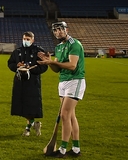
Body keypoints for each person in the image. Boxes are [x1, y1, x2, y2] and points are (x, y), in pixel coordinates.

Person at [38, 21, 86, 157]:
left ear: (66, 30)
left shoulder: (74, 44)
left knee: (64, 115)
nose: (58, 32)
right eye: (55, 30)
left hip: (75, 81)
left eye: (60, 29)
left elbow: (72, 65)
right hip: (63, 82)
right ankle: (76, 149)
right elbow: (57, 69)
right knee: (70, 115)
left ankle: (63, 149)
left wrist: (53, 61)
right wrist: (49, 62)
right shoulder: (58, 47)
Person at [8, 31, 48, 137]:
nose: (25, 41)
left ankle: (27, 129)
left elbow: (44, 66)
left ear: (32, 40)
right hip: (19, 82)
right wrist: (17, 66)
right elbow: (10, 63)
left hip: (32, 82)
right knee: (20, 107)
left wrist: (31, 70)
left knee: (30, 107)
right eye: (24, 38)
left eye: (28, 39)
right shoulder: (17, 51)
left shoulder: (38, 52)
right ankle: (35, 123)